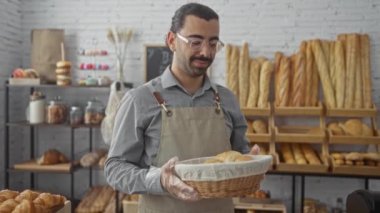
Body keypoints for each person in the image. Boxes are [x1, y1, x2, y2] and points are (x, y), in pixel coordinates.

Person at [105, 3, 260, 213]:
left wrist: (250, 164)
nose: (206, 52)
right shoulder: (139, 100)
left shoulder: (226, 99)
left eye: (213, 44)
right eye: (195, 42)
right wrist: (160, 180)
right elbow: (115, 170)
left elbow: (240, 153)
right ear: (171, 41)